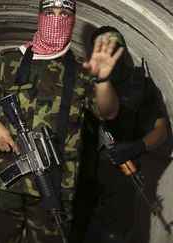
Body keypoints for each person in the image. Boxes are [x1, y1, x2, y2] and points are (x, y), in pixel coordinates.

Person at [0, 1, 124, 242]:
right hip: (5, 177)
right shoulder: (10, 61)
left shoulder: (80, 71)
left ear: (72, 21)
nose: (56, 19)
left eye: (64, 13)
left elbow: (108, 112)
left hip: (55, 182)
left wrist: (103, 80)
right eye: (50, 13)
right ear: (39, 16)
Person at [68, 26, 168, 243]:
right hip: (80, 171)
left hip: (122, 174)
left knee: (113, 234)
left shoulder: (140, 86)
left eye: (115, 49)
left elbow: (161, 130)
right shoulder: (81, 81)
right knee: (70, 230)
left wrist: (137, 146)